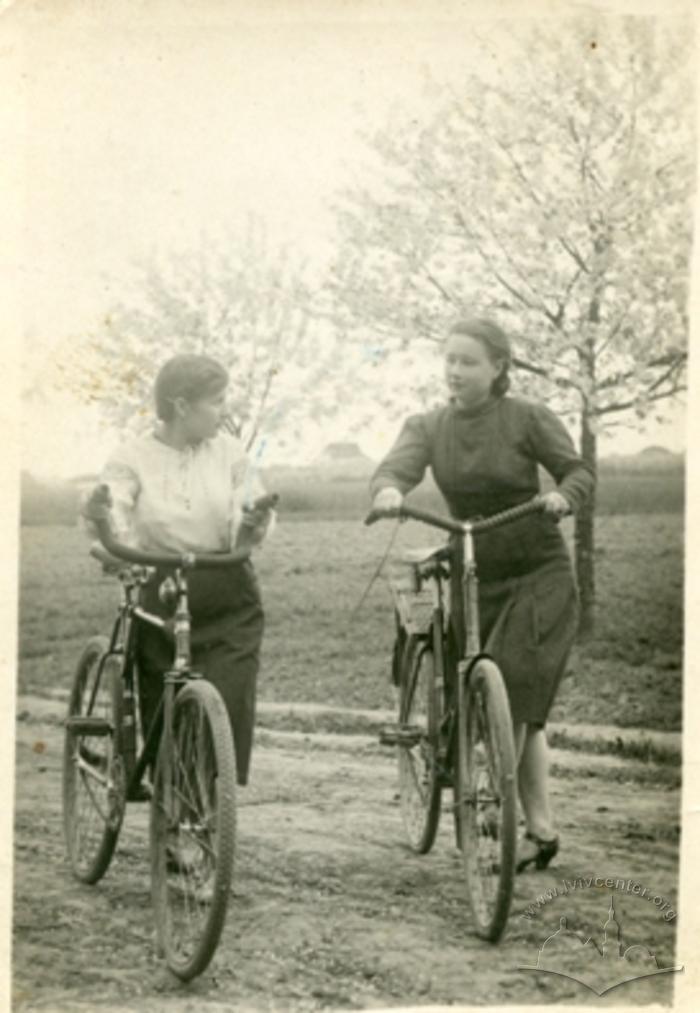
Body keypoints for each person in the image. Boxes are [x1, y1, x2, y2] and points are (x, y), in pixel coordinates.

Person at [370, 317, 594, 871]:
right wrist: (391, 491)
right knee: (508, 704)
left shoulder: (528, 418)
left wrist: (564, 497)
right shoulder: (428, 426)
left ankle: (493, 798)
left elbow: (577, 471)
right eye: (450, 360)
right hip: (474, 569)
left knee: (515, 684)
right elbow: (392, 470)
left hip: (537, 570)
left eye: (469, 361)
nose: (456, 371)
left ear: (499, 368)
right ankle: (541, 831)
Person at [83, 352, 275, 790]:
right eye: (217, 401)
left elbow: (246, 498)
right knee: (161, 696)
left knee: (227, 698)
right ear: (182, 405)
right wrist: (110, 534)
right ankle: (172, 802)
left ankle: (207, 796)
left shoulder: (229, 452)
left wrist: (251, 518)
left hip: (225, 585)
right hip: (161, 582)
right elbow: (114, 502)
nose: (223, 412)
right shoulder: (132, 456)